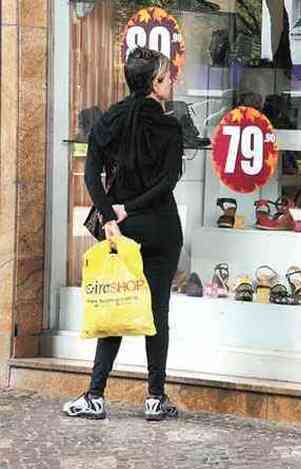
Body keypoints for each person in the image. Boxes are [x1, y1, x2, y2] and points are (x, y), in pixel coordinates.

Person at [62, 47, 184, 421]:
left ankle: (96, 394)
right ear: (154, 83)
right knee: (156, 312)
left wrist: (110, 215)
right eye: (167, 76)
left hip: (122, 230)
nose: (172, 81)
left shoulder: (111, 119)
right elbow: (167, 182)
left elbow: (90, 172)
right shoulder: (170, 125)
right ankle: (154, 397)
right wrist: (131, 207)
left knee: (115, 306)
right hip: (161, 226)